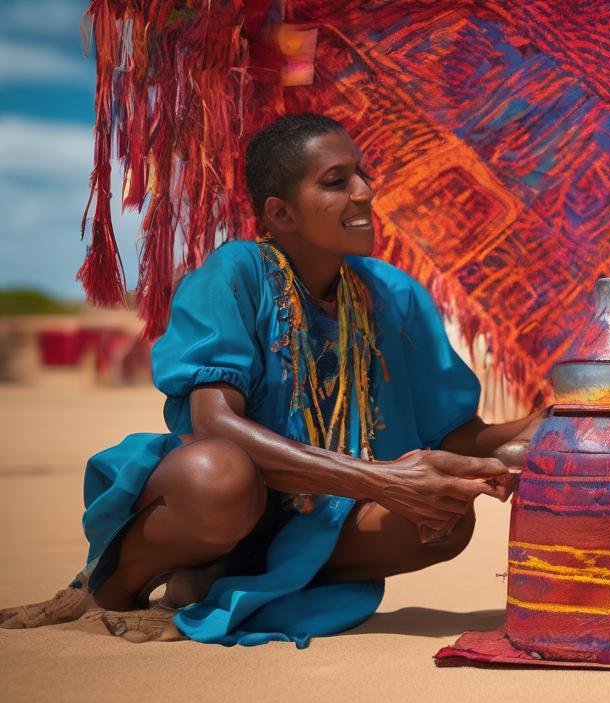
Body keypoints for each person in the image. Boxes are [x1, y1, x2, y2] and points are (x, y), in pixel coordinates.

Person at [0, 114, 537, 646]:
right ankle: (113, 588)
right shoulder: (237, 273)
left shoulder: (394, 295)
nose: (365, 192)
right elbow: (215, 425)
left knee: (444, 520)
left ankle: (229, 585)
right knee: (217, 475)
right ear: (281, 213)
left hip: (319, 517)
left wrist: (542, 427)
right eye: (336, 181)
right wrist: (383, 481)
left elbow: (454, 434)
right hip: (225, 499)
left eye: (363, 174)